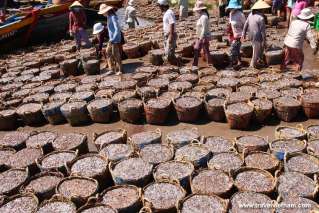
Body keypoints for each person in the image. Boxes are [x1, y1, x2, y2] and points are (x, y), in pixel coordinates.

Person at [242, 0, 270, 68]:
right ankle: (252, 65)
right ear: (261, 9)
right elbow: (262, 32)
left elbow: (246, 25)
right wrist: (264, 41)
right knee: (255, 52)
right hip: (257, 37)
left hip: (251, 35)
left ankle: (258, 61)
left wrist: (244, 34)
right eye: (263, 9)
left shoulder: (250, 14)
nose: (264, 10)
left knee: (257, 49)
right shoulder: (261, 18)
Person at [98, 4, 123, 74]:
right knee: (108, 52)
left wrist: (114, 38)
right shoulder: (108, 17)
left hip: (115, 39)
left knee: (116, 54)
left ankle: (120, 70)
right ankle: (111, 69)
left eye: (103, 12)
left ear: (107, 11)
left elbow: (117, 29)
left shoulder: (113, 17)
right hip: (111, 39)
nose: (102, 14)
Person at [157, 0, 178, 65]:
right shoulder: (167, 12)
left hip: (170, 35)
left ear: (163, 6)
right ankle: (173, 64)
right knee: (168, 52)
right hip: (167, 34)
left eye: (159, 6)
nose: (159, 8)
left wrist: (171, 36)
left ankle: (173, 66)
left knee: (169, 53)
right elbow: (168, 23)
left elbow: (172, 23)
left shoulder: (169, 13)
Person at [192, 1, 212, 69]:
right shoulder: (201, 15)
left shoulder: (204, 17)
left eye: (197, 9)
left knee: (197, 49)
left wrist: (201, 38)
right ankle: (209, 63)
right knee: (205, 50)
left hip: (203, 37)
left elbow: (204, 28)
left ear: (201, 9)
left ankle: (195, 65)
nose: (196, 11)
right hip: (200, 36)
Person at [226, 0, 246, 68]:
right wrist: (228, 34)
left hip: (239, 35)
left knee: (232, 50)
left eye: (232, 7)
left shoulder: (241, 14)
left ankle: (231, 64)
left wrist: (243, 35)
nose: (231, 9)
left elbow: (245, 25)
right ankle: (239, 62)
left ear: (236, 7)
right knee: (237, 50)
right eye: (230, 8)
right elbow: (230, 24)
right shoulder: (231, 13)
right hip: (232, 34)